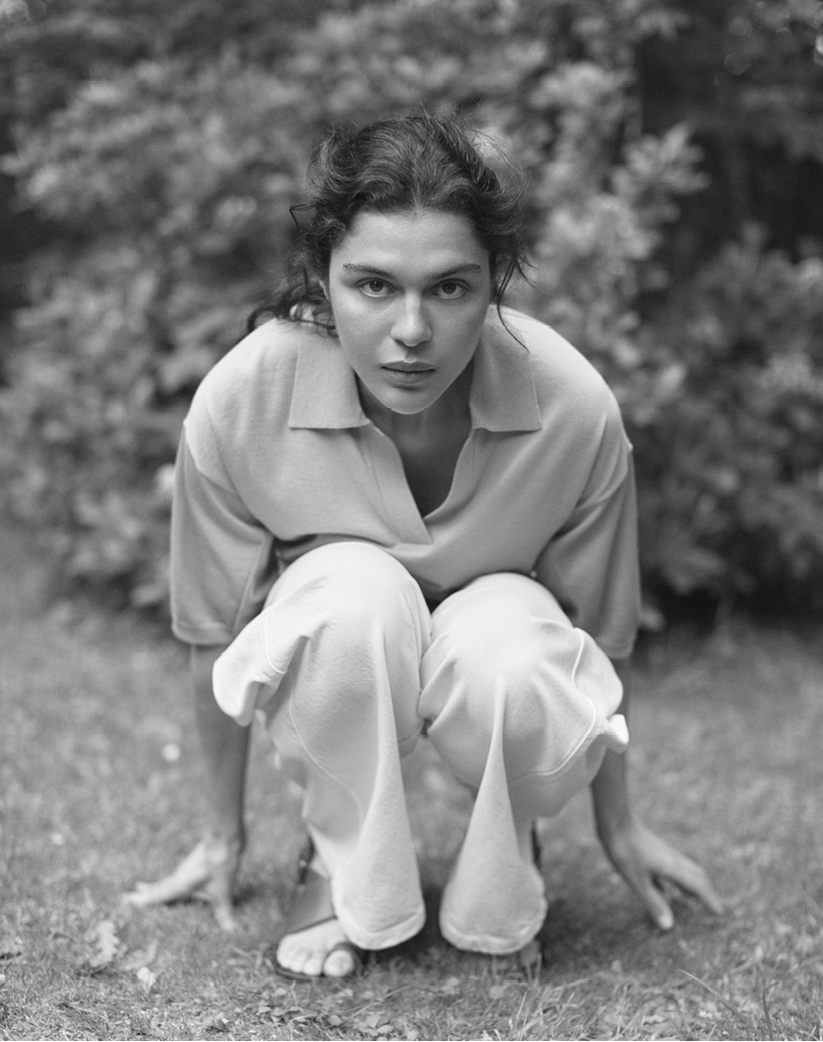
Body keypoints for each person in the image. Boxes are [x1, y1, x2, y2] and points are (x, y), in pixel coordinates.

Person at [124, 113, 722, 979]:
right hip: (345, 627)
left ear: (493, 286)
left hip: (494, 635)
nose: (410, 330)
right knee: (349, 601)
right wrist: (223, 836)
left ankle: (502, 877)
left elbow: (599, 643)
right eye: (373, 285)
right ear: (322, 279)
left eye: (448, 289)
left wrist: (617, 824)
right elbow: (213, 633)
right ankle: (341, 870)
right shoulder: (243, 398)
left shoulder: (573, 407)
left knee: (518, 651)